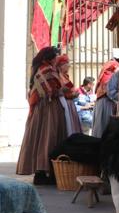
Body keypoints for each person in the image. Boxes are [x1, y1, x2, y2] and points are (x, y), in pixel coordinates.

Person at [16, 47, 66, 184]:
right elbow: (55, 90)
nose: (57, 59)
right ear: (50, 58)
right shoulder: (48, 70)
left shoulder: (38, 69)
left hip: (40, 109)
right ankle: (45, 172)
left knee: (39, 139)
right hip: (49, 108)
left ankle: (41, 172)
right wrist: (64, 91)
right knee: (49, 138)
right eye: (55, 57)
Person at [55, 55, 82, 137]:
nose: (69, 67)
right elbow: (61, 90)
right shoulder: (59, 77)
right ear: (61, 66)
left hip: (70, 104)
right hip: (65, 103)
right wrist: (72, 93)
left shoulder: (65, 76)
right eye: (67, 65)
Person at [92, 60, 119, 138]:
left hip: (104, 103)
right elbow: (110, 92)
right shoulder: (108, 77)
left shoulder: (106, 76)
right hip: (106, 104)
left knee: (101, 125)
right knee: (103, 126)